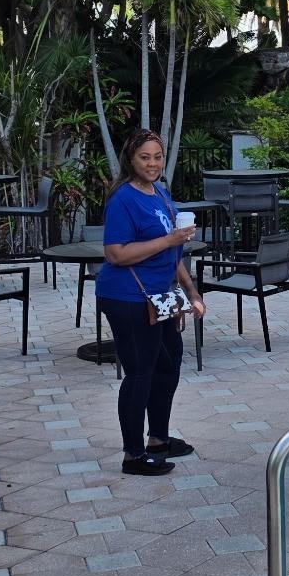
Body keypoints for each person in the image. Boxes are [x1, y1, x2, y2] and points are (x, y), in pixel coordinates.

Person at [97, 128, 206, 476]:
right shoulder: (123, 199)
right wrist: (168, 240)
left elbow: (173, 253)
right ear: (131, 159)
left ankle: (158, 438)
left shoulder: (159, 193)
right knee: (140, 372)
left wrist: (191, 291)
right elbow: (115, 254)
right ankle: (133, 455)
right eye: (145, 157)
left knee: (168, 363)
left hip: (160, 296)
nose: (153, 163)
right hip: (127, 296)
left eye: (157, 157)